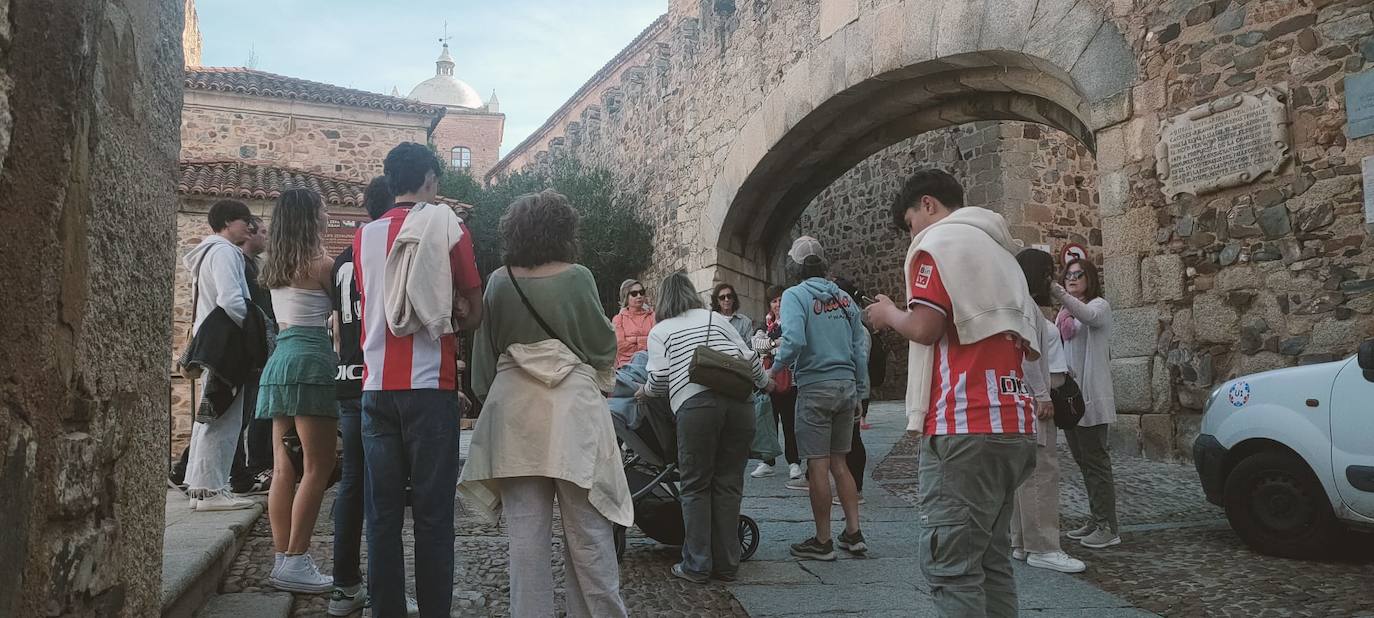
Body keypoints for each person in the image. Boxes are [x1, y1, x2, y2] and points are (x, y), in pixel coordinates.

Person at [865, 169, 1043, 617]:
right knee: (992, 560)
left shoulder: (937, 245)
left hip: (963, 422)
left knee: (953, 567)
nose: (913, 234)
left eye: (910, 223)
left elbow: (926, 328)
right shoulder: (1004, 254)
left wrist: (888, 313)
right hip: (1013, 422)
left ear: (928, 205)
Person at [459, 190, 631, 617]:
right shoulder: (579, 277)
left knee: (526, 541)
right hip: (572, 413)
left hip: (515, 413)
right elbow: (600, 344)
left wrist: (490, 398)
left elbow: (485, 359)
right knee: (590, 534)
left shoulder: (500, 280)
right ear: (564, 229)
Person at [354, 143, 483, 617]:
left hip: (375, 388)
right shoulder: (449, 228)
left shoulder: (363, 237)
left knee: (382, 516)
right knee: (432, 517)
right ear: (429, 178)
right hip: (431, 386)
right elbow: (473, 309)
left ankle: (385, 610)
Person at [638, 271, 770, 583]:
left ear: (664, 300)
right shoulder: (716, 318)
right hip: (739, 405)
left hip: (696, 407)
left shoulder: (661, 330)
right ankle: (727, 565)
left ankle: (696, 565)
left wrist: (642, 392)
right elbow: (750, 358)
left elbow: (658, 379)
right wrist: (766, 383)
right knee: (728, 484)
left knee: (695, 485)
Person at [327, 176, 419, 616]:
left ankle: (345, 584)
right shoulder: (388, 251)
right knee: (388, 496)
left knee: (352, 483)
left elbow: (336, 323)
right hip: (381, 377)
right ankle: (390, 593)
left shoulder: (345, 258)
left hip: (346, 376)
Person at [253, 188, 339, 593]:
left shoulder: (273, 267)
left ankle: (281, 557)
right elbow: (350, 311)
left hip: (280, 361)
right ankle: (298, 558)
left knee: (283, 467)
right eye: (322, 211)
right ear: (310, 219)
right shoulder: (322, 265)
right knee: (317, 466)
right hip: (311, 363)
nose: (327, 215)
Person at [772, 236, 870, 562]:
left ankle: (823, 540)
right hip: (845, 386)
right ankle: (854, 533)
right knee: (841, 462)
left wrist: (774, 369)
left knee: (818, 464)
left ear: (795, 266)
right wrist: (859, 387)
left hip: (815, 386)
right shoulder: (844, 299)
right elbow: (860, 346)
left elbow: (794, 339)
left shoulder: (794, 296)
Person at [181, 199, 260, 512]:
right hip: (227, 345)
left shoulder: (205, 254)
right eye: (244, 221)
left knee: (209, 416)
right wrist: (253, 331)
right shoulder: (226, 252)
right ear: (228, 222)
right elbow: (232, 300)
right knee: (224, 419)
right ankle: (213, 489)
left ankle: (200, 487)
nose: (249, 227)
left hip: (210, 343)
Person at [1011, 249, 1086, 574]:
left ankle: (1021, 541)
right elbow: (1028, 355)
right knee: (1042, 472)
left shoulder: (1021, 305)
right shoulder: (1027, 308)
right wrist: (1042, 395)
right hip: (1036, 399)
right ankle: (1043, 546)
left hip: (1029, 399)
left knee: (1026, 474)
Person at [1052, 258, 1121, 550]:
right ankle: (1096, 518)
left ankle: (1109, 526)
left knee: (1096, 463)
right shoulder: (1065, 314)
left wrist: (1057, 291)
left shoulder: (1099, 306)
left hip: (1091, 398)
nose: (1072, 278)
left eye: (1078, 274)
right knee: (1084, 463)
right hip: (1071, 400)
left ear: (1090, 278)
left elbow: (1088, 317)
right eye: (1068, 275)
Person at [231, 216, 275, 497]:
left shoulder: (252, 267)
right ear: (248, 233)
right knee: (240, 415)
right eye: (261, 231)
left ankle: (245, 471)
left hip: (258, 348)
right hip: (247, 349)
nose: (265, 237)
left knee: (247, 414)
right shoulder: (239, 265)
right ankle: (243, 473)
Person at [834, 277, 885, 505]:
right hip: (849, 389)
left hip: (854, 390)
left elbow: (861, 362)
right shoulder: (847, 322)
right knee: (847, 440)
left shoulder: (857, 328)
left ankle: (856, 488)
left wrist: (859, 394)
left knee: (853, 439)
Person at [752, 286, 803, 481]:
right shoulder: (765, 325)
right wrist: (776, 344)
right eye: (774, 301)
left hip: (790, 380)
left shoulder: (792, 323)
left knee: (790, 422)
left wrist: (769, 345)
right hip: (768, 380)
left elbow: (791, 345)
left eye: (781, 300)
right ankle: (767, 460)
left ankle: (794, 462)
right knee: (767, 421)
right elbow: (756, 345)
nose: (778, 304)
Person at [611, 279, 655, 368]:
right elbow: (621, 347)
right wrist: (645, 341)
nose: (639, 296)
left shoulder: (653, 316)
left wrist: (633, 340)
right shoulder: (619, 319)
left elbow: (657, 342)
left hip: (651, 363)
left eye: (641, 292)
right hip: (627, 365)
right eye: (634, 294)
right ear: (626, 297)